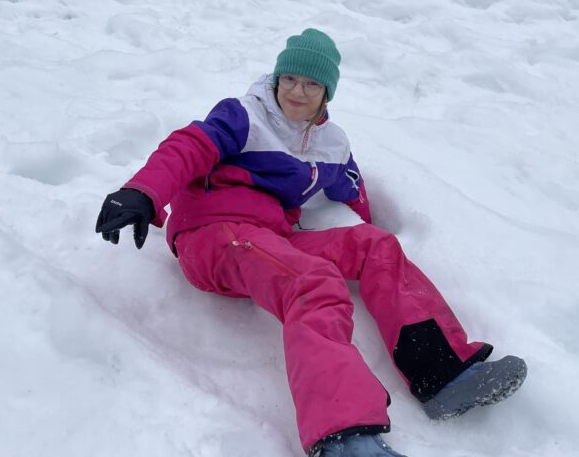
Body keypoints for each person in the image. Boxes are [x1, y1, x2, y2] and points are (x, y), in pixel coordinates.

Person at [94, 29, 528, 457]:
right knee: (312, 282)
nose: (296, 91)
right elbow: (187, 148)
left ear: (327, 93)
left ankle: (444, 376)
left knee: (376, 246)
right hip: (214, 233)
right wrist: (143, 192)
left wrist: (362, 221)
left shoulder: (330, 144)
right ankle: (343, 437)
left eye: (310, 83)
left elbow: (351, 189)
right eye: (289, 79)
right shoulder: (244, 116)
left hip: (271, 239)